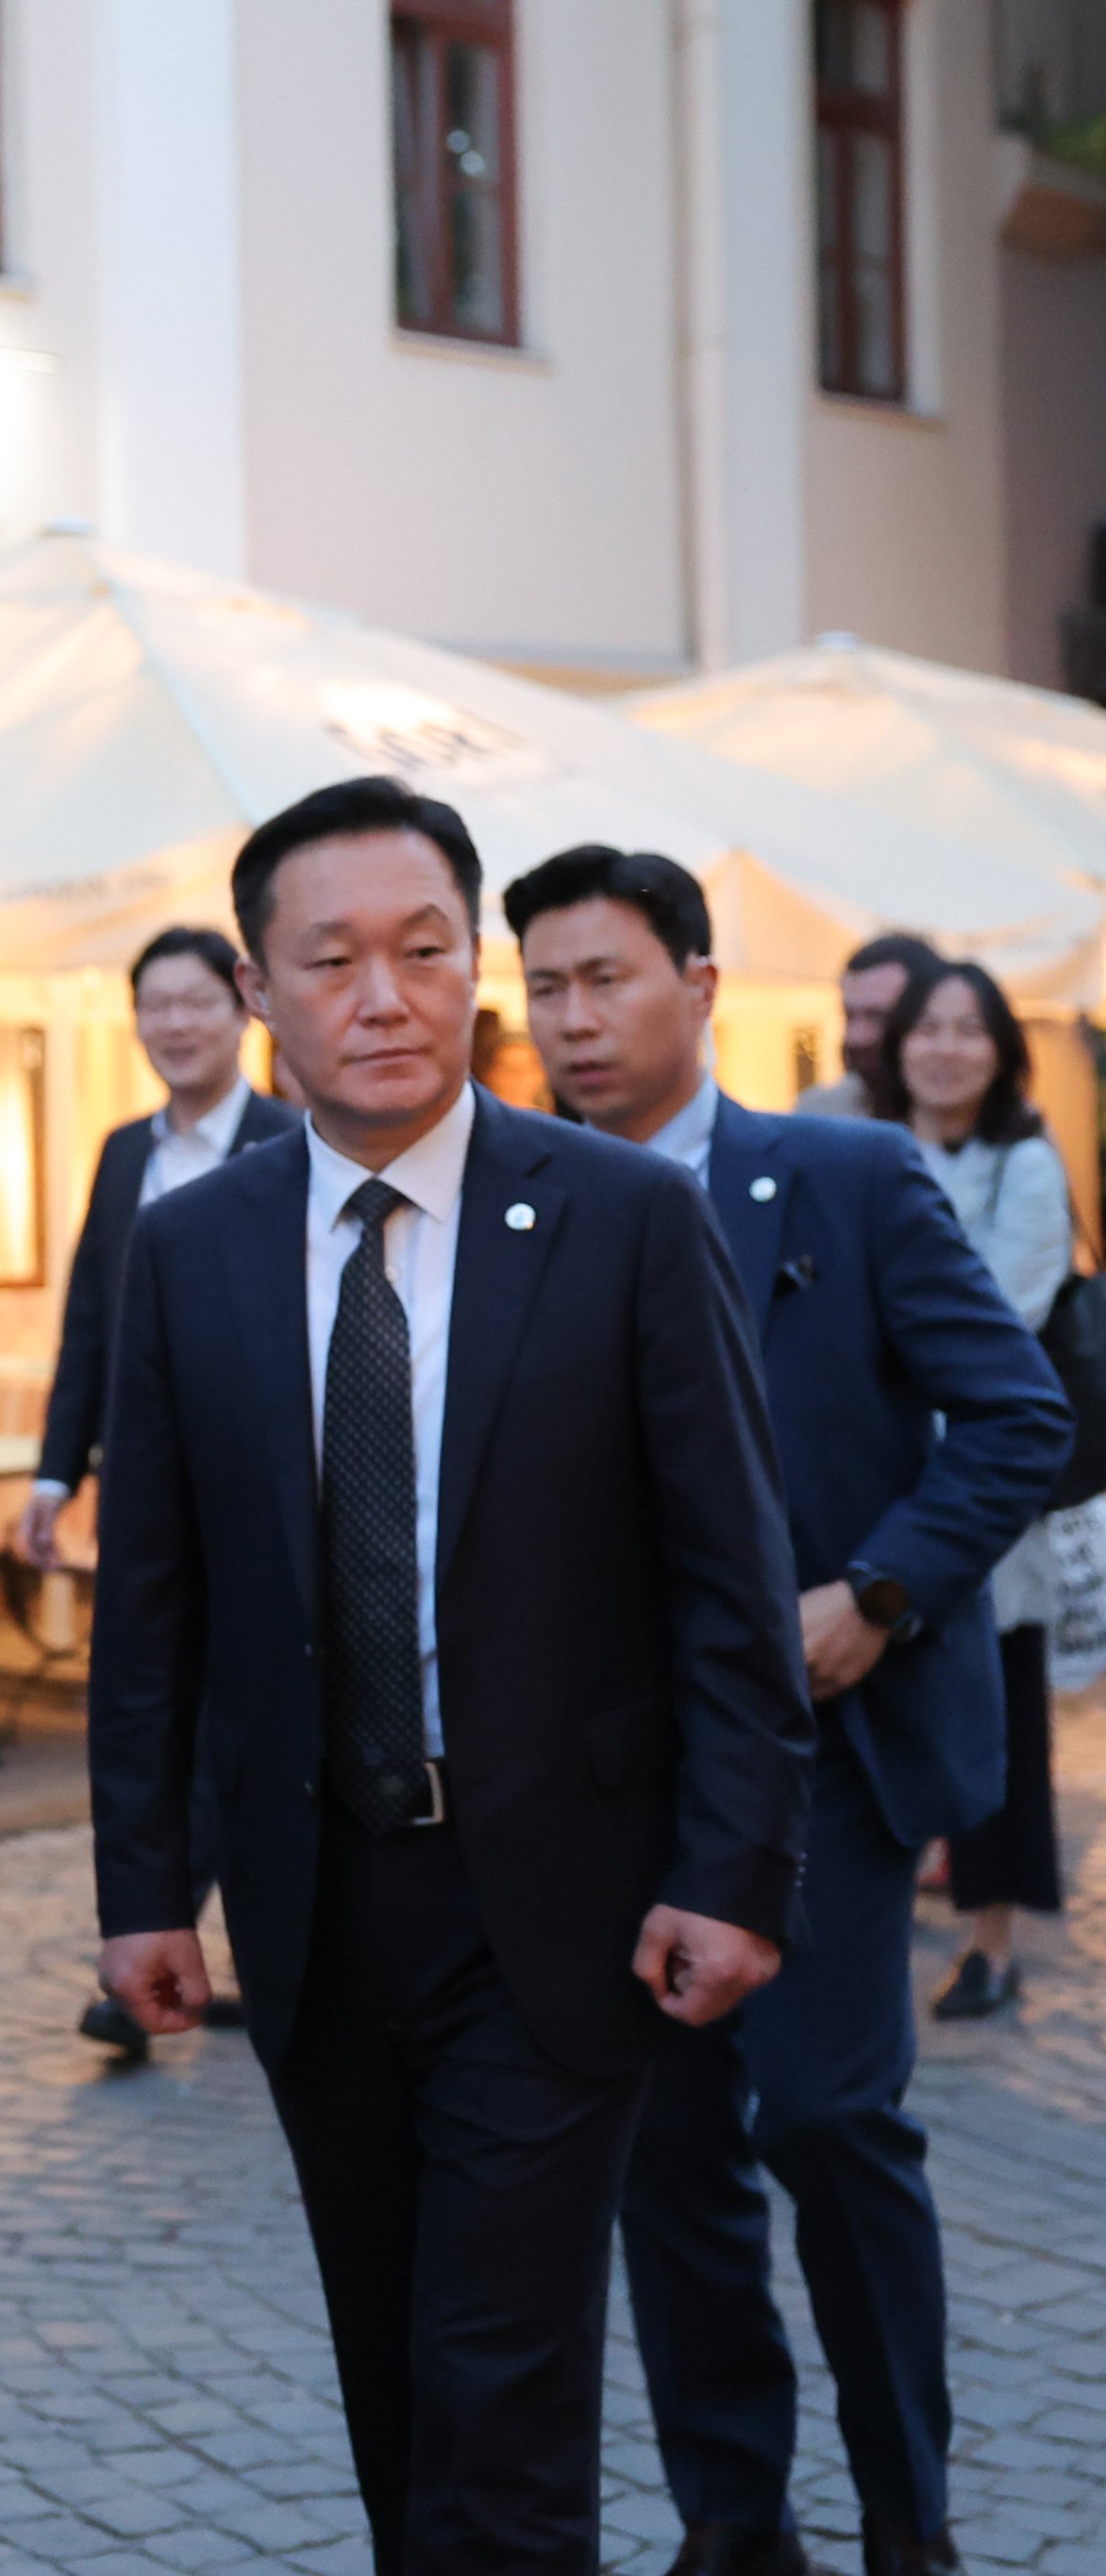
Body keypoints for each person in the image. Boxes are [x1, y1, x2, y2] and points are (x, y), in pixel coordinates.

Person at [91, 777, 813, 2572]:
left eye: (424, 951)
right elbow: (155, 1604)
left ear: (470, 967)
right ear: (262, 990)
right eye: (330, 960)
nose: (385, 996)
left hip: (558, 1906)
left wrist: (734, 1867)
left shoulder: (626, 1218)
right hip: (321, 1902)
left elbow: (734, 1575)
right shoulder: (191, 1249)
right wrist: (140, 1890)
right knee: (393, 2364)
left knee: (501, 2383)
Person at [513, 847, 1063, 2576]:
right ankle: (732, 2524)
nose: (574, 1019)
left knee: (829, 2121)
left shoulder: (844, 1176)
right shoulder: (514, 1202)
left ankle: (910, 2512)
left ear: (699, 985)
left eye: (607, 978)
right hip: (617, 1767)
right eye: (543, 988)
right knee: (668, 2167)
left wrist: (881, 1593)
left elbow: (1020, 1418)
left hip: (827, 1753)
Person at [25, 926, 301, 2061]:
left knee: (245, 1709)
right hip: (147, 1482)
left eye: (196, 1004)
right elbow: (91, 1317)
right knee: (155, 1702)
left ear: (243, 1011)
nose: (176, 1026)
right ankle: (161, 1937)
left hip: (265, 1482)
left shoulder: (296, 1140)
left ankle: (219, 1944)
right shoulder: (122, 1152)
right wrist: (56, 1468)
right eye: (156, 1008)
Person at [871, 958, 1079, 2023]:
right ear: (896, 1044)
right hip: (871, 1487)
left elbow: (1001, 1319)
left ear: (1001, 1049)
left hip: (984, 1499)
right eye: (928, 1027)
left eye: (969, 1029)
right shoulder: (859, 1152)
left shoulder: (1025, 1163)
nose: (946, 1047)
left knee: (997, 1720)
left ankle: (991, 1941)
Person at [798, 934, 947, 1121]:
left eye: (877, 1017)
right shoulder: (819, 1115)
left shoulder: (977, 1122)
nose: (856, 1037)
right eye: (849, 1015)